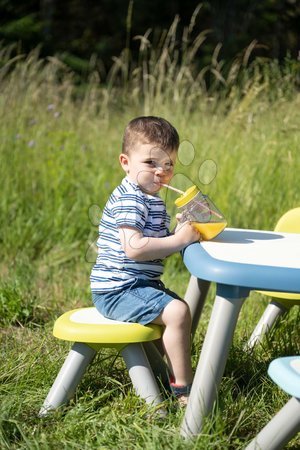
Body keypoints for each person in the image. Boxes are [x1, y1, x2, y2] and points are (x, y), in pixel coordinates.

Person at [90, 116, 200, 404]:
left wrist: (180, 231)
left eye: (169, 165)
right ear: (125, 162)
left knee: (177, 310)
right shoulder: (130, 199)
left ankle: (159, 378)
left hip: (138, 284)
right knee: (177, 312)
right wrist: (179, 240)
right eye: (151, 163)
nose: (161, 172)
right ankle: (184, 390)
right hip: (117, 290)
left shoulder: (150, 198)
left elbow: (157, 244)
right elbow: (135, 249)